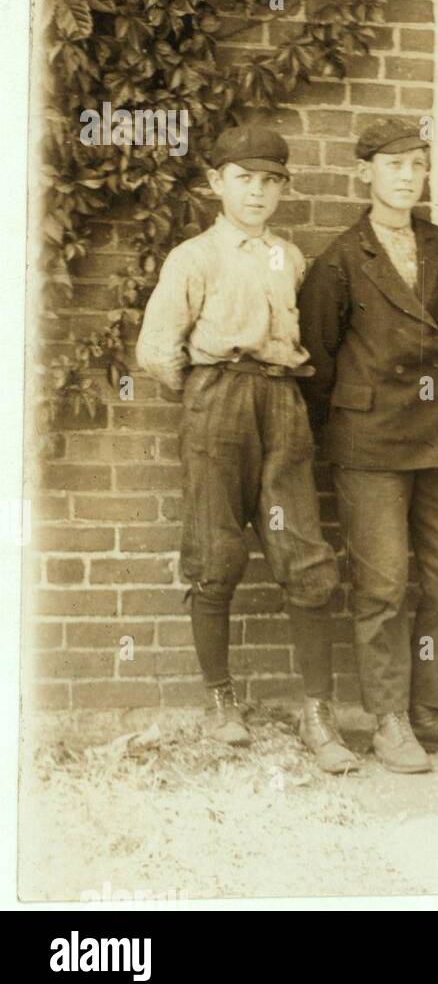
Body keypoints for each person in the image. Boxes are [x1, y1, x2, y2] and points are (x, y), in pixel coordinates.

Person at [135, 124, 357, 773]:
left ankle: (318, 714)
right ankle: (220, 701)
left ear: (284, 189)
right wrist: (207, 392)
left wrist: (276, 389)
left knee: (305, 556)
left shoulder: (291, 258)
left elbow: (311, 336)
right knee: (215, 550)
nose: (257, 192)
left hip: (282, 405)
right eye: (244, 180)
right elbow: (156, 351)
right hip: (217, 405)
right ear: (216, 185)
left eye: (270, 182)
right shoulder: (194, 258)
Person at [298, 119, 438, 773]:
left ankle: (436, 711)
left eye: (416, 165)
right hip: (370, 442)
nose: (407, 177)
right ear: (366, 173)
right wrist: (357, 416)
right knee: (382, 586)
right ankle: (388, 720)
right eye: (393, 166)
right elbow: (319, 361)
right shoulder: (340, 260)